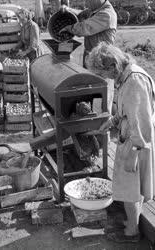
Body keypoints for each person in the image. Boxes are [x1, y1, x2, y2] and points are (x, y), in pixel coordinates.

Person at [87, 42, 155, 243]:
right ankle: (132, 222)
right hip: (131, 139)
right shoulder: (126, 78)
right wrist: (111, 122)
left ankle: (132, 232)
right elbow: (127, 111)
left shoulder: (134, 81)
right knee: (132, 187)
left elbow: (141, 122)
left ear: (112, 66)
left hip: (136, 143)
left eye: (103, 72)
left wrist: (134, 150)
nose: (104, 77)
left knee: (129, 188)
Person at [59, 0, 117, 112]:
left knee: (102, 94)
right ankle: (91, 118)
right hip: (92, 58)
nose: (86, 4)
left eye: (88, 1)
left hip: (103, 62)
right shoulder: (96, 10)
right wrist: (68, 9)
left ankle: (103, 123)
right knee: (91, 91)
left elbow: (85, 27)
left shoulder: (106, 14)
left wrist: (69, 28)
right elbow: (82, 13)